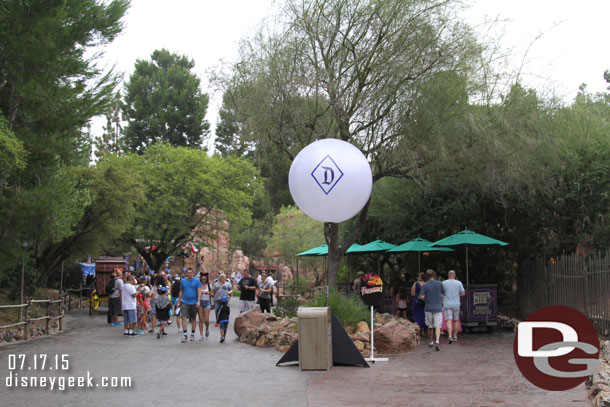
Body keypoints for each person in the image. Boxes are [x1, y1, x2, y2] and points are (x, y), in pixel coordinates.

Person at [418, 269, 445, 351]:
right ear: (434, 275)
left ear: (426, 276)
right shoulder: (440, 283)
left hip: (428, 308)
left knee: (430, 326)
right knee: (437, 326)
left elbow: (421, 297)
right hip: (438, 307)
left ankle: (430, 341)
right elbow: (444, 294)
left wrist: (425, 297)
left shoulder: (425, 286)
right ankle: (437, 341)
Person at [177, 268, 201, 343]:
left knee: (193, 319)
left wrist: (198, 301)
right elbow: (181, 291)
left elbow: (199, 291)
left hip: (194, 302)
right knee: (183, 317)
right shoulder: (183, 281)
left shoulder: (197, 281)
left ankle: (192, 334)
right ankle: (185, 334)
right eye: (188, 273)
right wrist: (179, 301)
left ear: (193, 273)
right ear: (186, 274)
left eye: (190, 273)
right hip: (185, 301)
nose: (189, 274)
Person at [442, 270, 465, 344]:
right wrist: (457, 295)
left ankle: (449, 336)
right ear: (454, 276)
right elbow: (463, 293)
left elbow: (441, 294)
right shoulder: (459, 283)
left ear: (448, 276)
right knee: (455, 320)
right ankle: (455, 336)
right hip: (456, 304)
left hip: (447, 304)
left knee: (448, 320)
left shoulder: (443, 283)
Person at [198, 273, 212, 340]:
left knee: (206, 320)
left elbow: (213, 294)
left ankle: (207, 328)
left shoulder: (209, 286)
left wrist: (209, 293)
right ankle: (201, 335)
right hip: (200, 302)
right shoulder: (198, 285)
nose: (203, 280)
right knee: (201, 320)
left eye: (205, 279)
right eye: (202, 279)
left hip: (207, 302)